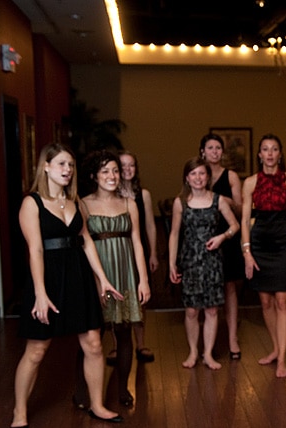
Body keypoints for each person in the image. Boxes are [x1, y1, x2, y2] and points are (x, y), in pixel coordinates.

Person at [11, 143, 124, 428]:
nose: (67, 170)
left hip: (78, 276)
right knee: (36, 350)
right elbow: (35, 250)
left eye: (70, 165)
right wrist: (39, 292)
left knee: (94, 344)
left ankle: (97, 405)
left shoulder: (76, 203)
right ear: (45, 167)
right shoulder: (31, 203)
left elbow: (85, 241)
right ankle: (19, 410)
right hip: (47, 279)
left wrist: (103, 278)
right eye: (61, 164)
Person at [75, 151, 151, 408]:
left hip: (125, 273)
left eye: (115, 171)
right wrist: (95, 279)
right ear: (94, 175)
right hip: (96, 274)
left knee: (124, 332)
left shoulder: (130, 204)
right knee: (91, 335)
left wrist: (143, 280)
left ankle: (122, 389)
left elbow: (138, 243)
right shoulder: (82, 204)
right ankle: (82, 390)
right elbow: (82, 243)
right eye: (105, 171)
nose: (112, 176)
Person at [241, 134, 286, 378]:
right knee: (265, 302)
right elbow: (244, 221)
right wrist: (247, 253)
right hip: (260, 243)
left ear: (279, 154)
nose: (270, 153)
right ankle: (274, 347)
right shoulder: (250, 182)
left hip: (284, 243)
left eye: (274, 149)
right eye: (265, 149)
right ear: (260, 154)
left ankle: (282, 358)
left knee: (283, 301)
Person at [168, 157, 240, 370]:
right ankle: (193, 351)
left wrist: (221, 237)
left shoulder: (218, 200)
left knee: (211, 310)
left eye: (202, 173)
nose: (198, 178)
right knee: (191, 310)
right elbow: (173, 234)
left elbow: (235, 225)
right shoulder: (180, 202)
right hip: (190, 261)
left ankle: (208, 353)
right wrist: (172, 264)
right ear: (187, 178)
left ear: (207, 177)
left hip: (212, 261)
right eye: (193, 174)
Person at [199, 133, 244, 360]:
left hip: (228, 235)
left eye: (218, 148)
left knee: (229, 288)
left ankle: (233, 338)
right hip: (204, 237)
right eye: (210, 148)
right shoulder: (198, 174)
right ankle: (209, 341)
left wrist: (222, 200)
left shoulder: (231, 176)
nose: (215, 151)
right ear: (203, 152)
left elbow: (240, 208)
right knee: (207, 289)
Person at [112, 150, 159, 364]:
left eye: (131, 165)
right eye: (123, 166)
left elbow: (150, 224)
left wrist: (154, 253)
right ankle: (116, 345)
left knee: (141, 298)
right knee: (117, 297)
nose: (127, 170)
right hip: (117, 251)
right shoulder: (110, 193)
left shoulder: (144, 194)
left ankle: (141, 344)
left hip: (138, 249)